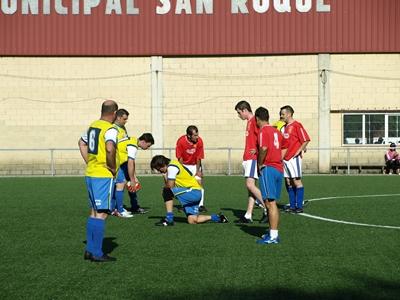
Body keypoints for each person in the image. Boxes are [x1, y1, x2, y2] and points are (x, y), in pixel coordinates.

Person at [78, 100, 119, 262]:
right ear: (114, 113)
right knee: (102, 213)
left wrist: (90, 161)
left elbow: (81, 143)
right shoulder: (110, 129)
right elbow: (110, 148)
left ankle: (90, 250)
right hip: (103, 174)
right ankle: (97, 252)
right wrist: (112, 167)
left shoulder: (93, 125)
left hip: (91, 173)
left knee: (94, 212)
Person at [150, 155, 228, 226]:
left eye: (158, 169)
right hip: (195, 192)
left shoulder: (172, 167)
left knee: (166, 191)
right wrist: (165, 177)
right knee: (193, 220)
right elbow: (170, 185)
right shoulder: (173, 164)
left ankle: (169, 218)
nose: (159, 171)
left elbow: (170, 185)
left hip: (192, 192)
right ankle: (218, 218)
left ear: (162, 164)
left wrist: (165, 185)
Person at [255, 107, 288, 244]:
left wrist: (260, 163)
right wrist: (278, 158)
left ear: (257, 119)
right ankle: (271, 233)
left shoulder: (263, 131)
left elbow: (263, 148)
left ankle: (274, 236)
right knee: (270, 202)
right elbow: (285, 146)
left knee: (270, 202)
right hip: (278, 168)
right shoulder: (276, 131)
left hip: (268, 168)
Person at [234, 100, 268, 223]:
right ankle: (248, 215)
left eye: (239, 113)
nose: (239, 116)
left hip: (252, 159)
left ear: (244, 110)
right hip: (248, 158)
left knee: (250, 185)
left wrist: (258, 151)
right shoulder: (249, 122)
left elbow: (262, 135)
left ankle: (267, 208)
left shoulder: (254, 120)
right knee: (250, 188)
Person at [280, 105, 311, 214]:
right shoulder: (283, 127)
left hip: (294, 158)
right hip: (285, 158)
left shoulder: (297, 125)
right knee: (288, 181)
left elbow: (306, 139)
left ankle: (299, 206)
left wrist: (299, 150)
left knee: (296, 181)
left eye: (283, 114)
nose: (281, 116)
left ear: (289, 114)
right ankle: (292, 206)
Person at [118, 133, 155, 214]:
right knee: (120, 185)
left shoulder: (133, 139)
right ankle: (118, 209)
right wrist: (132, 180)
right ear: (144, 141)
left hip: (122, 164)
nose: (148, 148)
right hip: (116, 165)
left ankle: (135, 207)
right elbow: (130, 162)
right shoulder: (132, 146)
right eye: (148, 146)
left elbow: (131, 162)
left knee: (132, 184)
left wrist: (134, 177)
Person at [175, 125, 207, 212]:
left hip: (195, 165)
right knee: (185, 186)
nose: (197, 137)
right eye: (195, 135)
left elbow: (199, 157)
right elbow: (180, 157)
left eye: (197, 135)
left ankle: (201, 205)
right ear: (189, 135)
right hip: (184, 165)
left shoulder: (199, 141)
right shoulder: (181, 141)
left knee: (199, 184)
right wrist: (182, 171)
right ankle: (184, 205)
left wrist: (198, 171)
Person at [112, 109, 133, 218]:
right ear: (118, 117)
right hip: (116, 162)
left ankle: (115, 208)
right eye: (124, 119)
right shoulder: (113, 129)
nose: (126, 121)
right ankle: (119, 210)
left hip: (123, 161)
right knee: (120, 184)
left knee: (120, 185)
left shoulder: (123, 128)